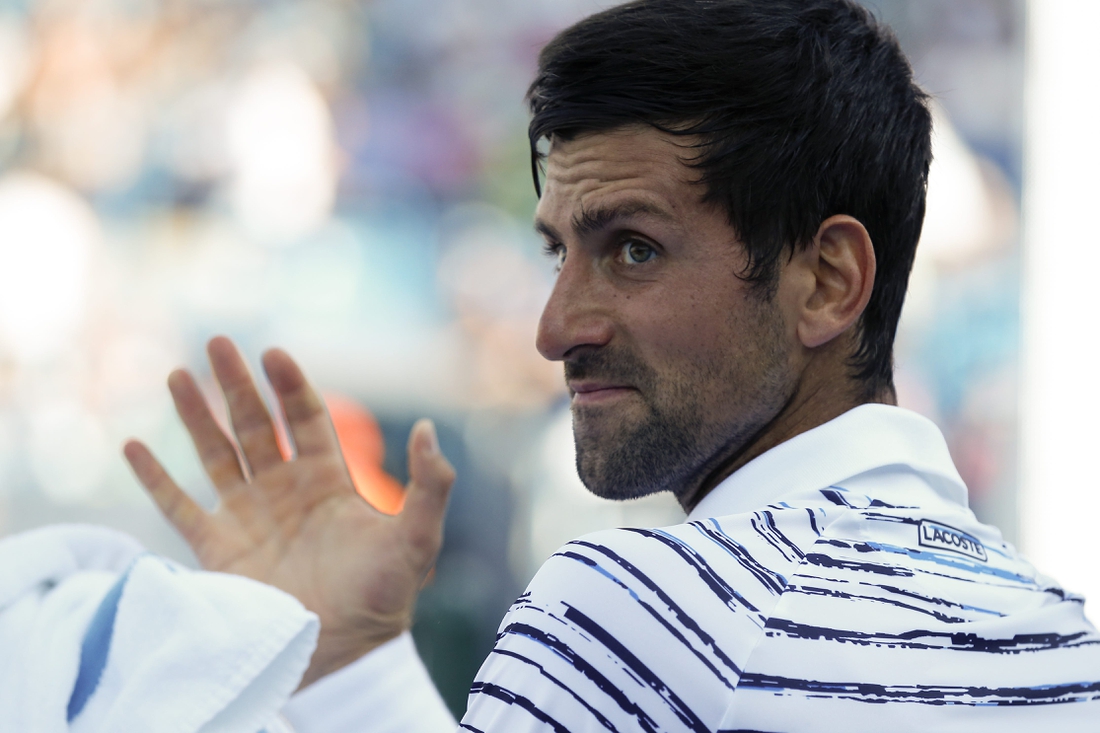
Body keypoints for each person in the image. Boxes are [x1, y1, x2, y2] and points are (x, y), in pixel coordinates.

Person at [116, 0, 1099, 731]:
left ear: (826, 280)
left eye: (631, 247)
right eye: (557, 251)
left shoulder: (626, 610)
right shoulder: (1061, 643)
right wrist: (356, 659)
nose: (554, 326)